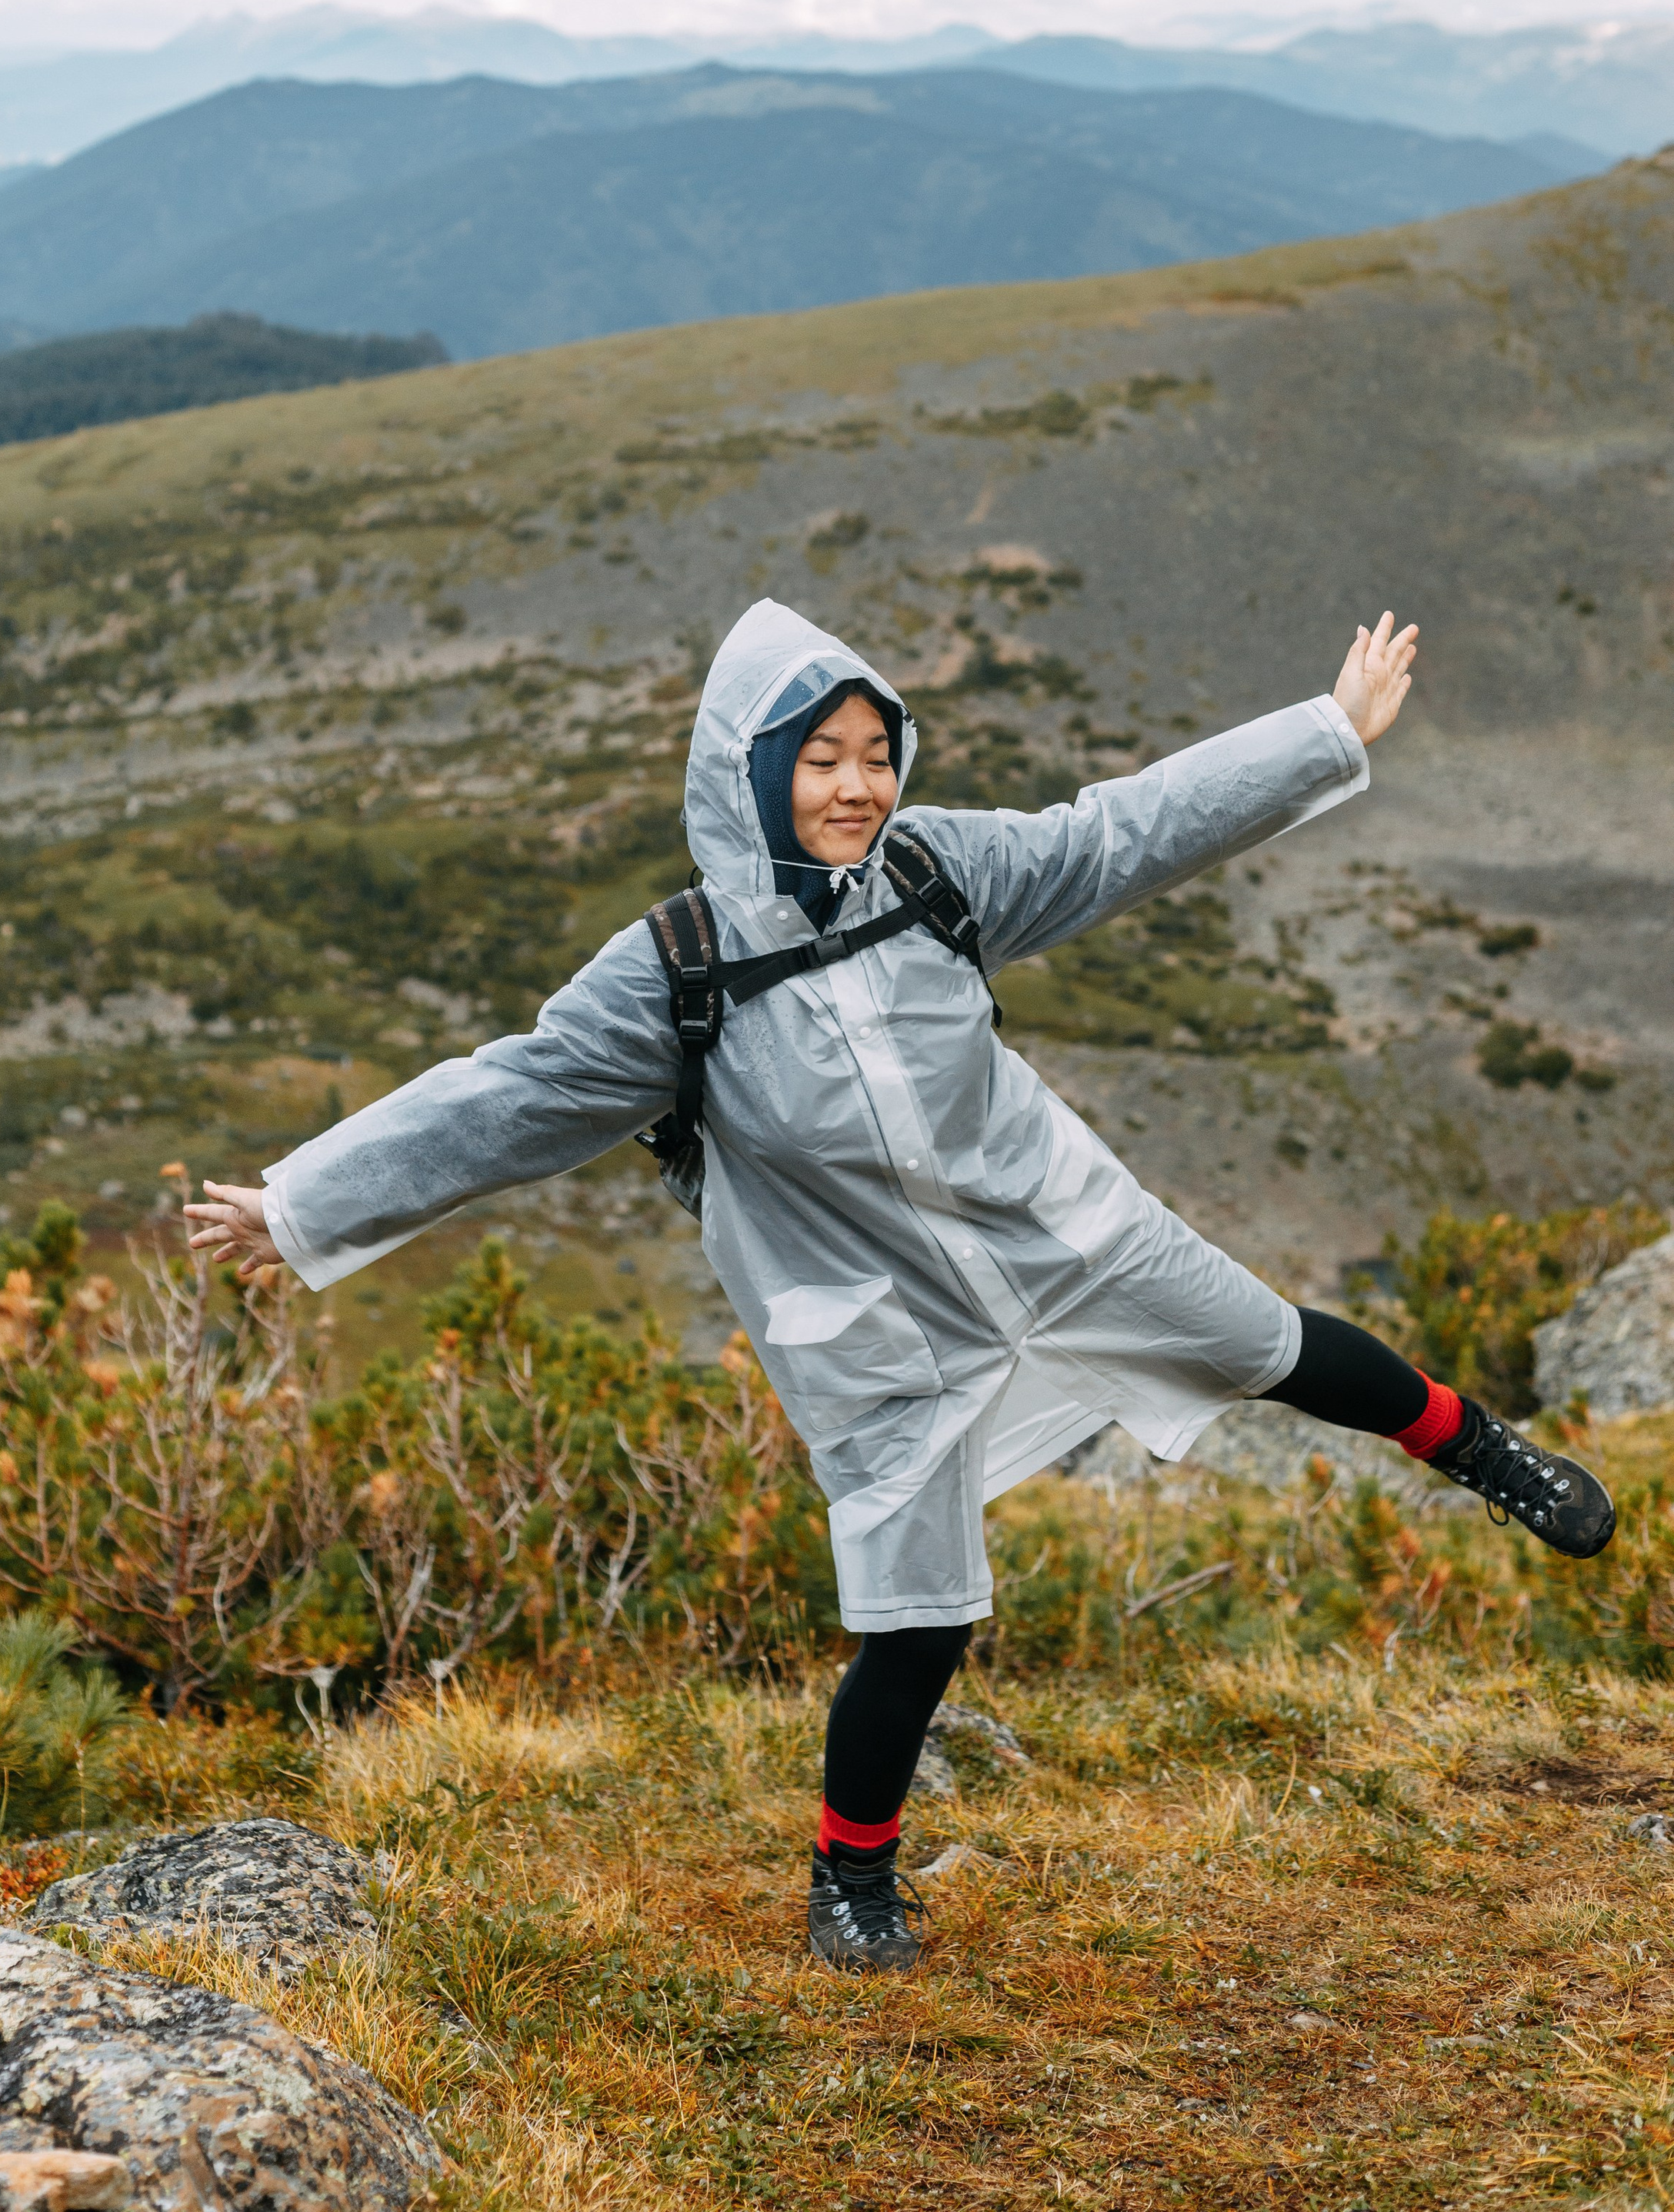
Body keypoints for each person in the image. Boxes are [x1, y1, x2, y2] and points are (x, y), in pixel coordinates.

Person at [186, 596, 1615, 1975]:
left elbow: (1119, 831)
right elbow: (508, 1098)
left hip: (1057, 1229)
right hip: (878, 1325)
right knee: (920, 1613)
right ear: (753, 774)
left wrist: (1326, 732)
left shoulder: (939, 872)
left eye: (877, 753)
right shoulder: (677, 969)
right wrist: (303, 1204)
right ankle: (853, 1878)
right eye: (821, 759)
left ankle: (1487, 1454)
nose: (858, 787)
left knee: (1272, 1345)